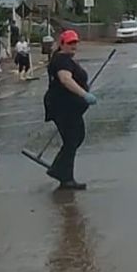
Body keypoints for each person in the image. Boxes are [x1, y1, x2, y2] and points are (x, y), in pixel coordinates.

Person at [44, 30, 97, 190]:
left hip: (69, 107)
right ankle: (64, 176)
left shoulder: (65, 59)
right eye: (70, 43)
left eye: (75, 43)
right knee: (72, 140)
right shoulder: (62, 60)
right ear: (62, 44)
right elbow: (65, 80)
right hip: (63, 107)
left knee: (76, 138)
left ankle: (59, 171)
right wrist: (84, 94)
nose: (74, 46)